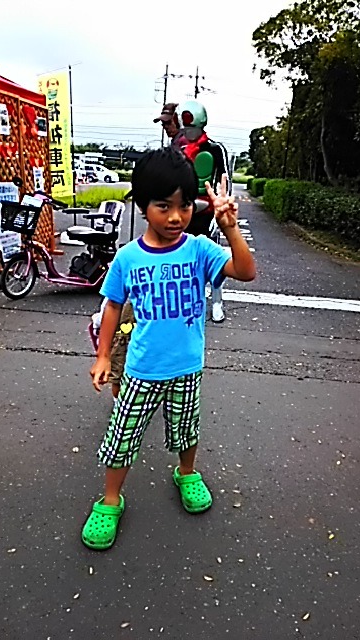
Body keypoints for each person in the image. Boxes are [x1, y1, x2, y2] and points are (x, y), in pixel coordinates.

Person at [81, 146, 256, 550]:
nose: (176, 217)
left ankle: (187, 473)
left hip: (187, 367)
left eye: (184, 206)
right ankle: (110, 500)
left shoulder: (199, 250)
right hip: (141, 369)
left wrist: (230, 228)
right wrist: (104, 355)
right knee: (122, 436)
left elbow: (246, 272)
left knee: (186, 428)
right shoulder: (128, 258)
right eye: (164, 206)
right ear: (143, 206)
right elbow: (111, 306)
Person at [178, 100, 233, 323]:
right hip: (185, 211)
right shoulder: (180, 150)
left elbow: (225, 179)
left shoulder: (214, 149)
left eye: (192, 128)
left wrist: (221, 212)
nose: (189, 133)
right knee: (183, 257)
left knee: (213, 259)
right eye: (186, 128)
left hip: (208, 211)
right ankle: (189, 299)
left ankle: (217, 301)